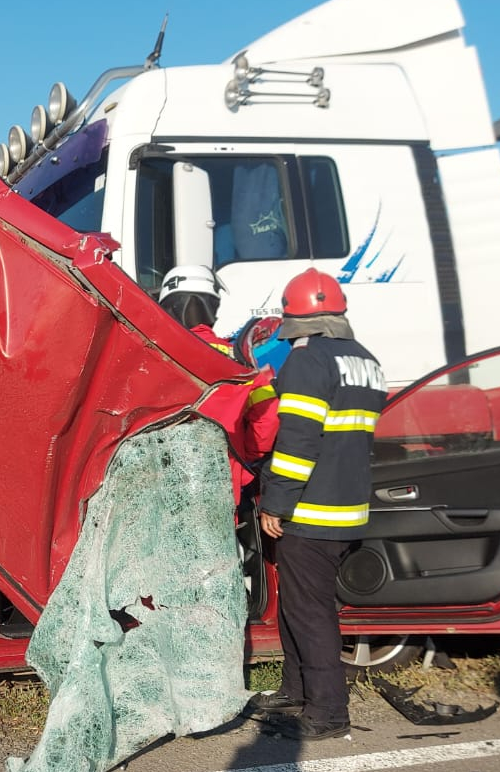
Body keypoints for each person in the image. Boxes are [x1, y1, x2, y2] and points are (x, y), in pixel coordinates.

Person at [253, 268, 387, 739]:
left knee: (311, 613)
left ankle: (328, 713)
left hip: (310, 510)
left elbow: (298, 441)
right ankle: (296, 690)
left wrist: (276, 502)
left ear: (294, 320)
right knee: (298, 603)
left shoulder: (308, 361)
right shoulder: (365, 360)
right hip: (348, 508)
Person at [158, 266, 280, 499]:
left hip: (162, 486)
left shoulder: (153, 354)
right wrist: (245, 454)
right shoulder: (241, 361)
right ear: (212, 307)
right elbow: (268, 417)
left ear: (168, 306)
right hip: (222, 485)